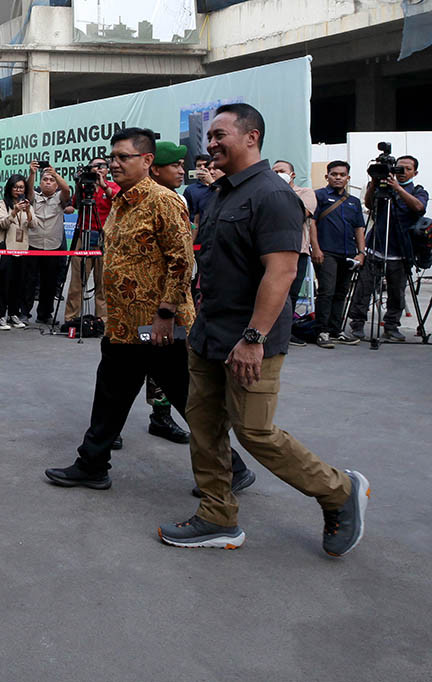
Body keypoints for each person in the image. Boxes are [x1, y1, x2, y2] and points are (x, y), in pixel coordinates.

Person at [158, 103, 369, 556]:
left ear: (251, 137)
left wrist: (252, 340)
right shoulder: (221, 194)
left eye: (220, 135)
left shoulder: (272, 195)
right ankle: (218, 517)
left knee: (255, 432)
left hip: (249, 340)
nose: (210, 143)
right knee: (204, 426)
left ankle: (338, 491)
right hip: (208, 335)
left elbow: (281, 273)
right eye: (209, 136)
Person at [44, 128, 254, 493]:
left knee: (190, 400)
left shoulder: (164, 201)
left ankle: (231, 469)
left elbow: (181, 261)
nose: (114, 164)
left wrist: (166, 313)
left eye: (123, 157)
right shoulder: (123, 201)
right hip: (124, 326)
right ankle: (92, 464)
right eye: (112, 157)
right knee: (110, 394)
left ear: (147, 161)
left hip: (159, 328)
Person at [142, 140, 193, 444]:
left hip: (168, 302)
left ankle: (160, 417)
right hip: (156, 304)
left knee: (163, 365)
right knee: (142, 365)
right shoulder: (157, 200)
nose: (181, 170)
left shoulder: (175, 199)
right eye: (175, 165)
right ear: (156, 169)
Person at [347, 154, 427, 343]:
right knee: (363, 289)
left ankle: (391, 327)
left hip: (400, 251)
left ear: (415, 172)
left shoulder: (417, 190)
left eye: (407, 169)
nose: (402, 172)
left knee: (396, 293)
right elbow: (368, 204)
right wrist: (374, 183)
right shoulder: (382, 187)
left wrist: (398, 189)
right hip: (375, 247)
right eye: (399, 168)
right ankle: (357, 324)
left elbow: (418, 207)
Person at [312, 161, 366, 347]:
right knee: (326, 291)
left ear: (348, 178)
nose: (338, 177)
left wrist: (361, 252)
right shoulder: (318, 196)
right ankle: (322, 331)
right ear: (327, 176)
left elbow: (359, 228)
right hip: (326, 252)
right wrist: (316, 249)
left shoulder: (354, 202)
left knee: (341, 292)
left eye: (342, 175)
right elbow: (311, 224)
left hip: (348, 253)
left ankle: (336, 330)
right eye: (334, 174)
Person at [65, 157, 117, 327]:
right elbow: (74, 204)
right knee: (77, 280)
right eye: (95, 166)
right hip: (83, 235)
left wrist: (103, 185)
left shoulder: (112, 185)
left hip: (104, 236)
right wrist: (79, 183)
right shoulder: (84, 186)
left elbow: (117, 199)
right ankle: (71, 318)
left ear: (107, 170)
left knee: (102, 282)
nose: (99, 169)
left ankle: (103, 320)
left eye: (102, 166)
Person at [271, 160, 318, 347]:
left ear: (292, 175)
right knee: (273, 292)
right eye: (273, 172)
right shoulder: (268, 193)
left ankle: (286, 332)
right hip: (272, 251)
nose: (277, 174)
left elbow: (301, 213)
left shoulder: (305, 193)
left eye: (281, 171)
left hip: (298, 250)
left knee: (291, 294)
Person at [25, 161, 72, 325]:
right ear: (40, 182)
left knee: (49, 283)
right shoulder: (35, 197)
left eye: (51, 180)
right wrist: (32, 173)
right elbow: (28, 191)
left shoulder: (60, 197)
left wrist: (55, 173)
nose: (48, 182)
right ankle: (24, 313)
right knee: (29, 281)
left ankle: (45, 314)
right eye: (45, 179)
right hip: (33, 243)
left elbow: (66, 190)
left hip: (53, 245)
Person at [0, 174, 38, 329]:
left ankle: (13, 314)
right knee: (4, 284)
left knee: (19, 284)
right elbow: (2, 224)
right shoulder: (3, 203)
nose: (19, 190)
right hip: (6, 249)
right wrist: (14, 211)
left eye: (21, 187)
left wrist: (28, 212)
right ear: (10, 188)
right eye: (16, 187)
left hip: (23, 249)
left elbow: (34, 225)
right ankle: (0, 316)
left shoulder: (27, 204)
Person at [183, 154, 213, 225]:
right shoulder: (190, 189)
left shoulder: (219, 186)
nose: (202, 168)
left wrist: (212, 182)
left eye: (205, 165)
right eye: (199, 166)